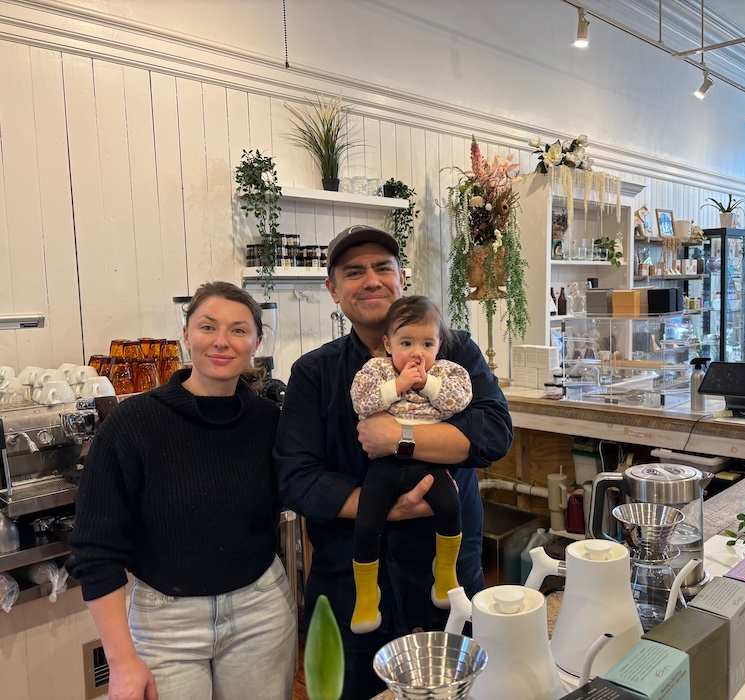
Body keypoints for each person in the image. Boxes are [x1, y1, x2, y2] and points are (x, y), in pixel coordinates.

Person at [275, 225, 512, 699]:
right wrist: (380, 507)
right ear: (333, 290)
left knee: (452, 690)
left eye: (382, 267)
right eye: (353, 271)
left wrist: (401, 437)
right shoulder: (314, 373)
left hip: (442, 576)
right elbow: (296, 479)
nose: (371, 280)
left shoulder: (454, 350)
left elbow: (492, 435)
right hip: (351, 582)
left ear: (401, 277)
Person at [68, 281, 296, 700]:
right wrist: (120, 662)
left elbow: (304, 487)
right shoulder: (132, 423)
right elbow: (94, 550)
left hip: (260, 610)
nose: (222, 342)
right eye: (208, 327)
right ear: (186, 335)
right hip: (164, 624)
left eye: (238, 330)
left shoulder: (269, 420)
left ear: (257, 341)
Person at [349, 295, 473, 634]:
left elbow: (456, 403)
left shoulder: (447, 372)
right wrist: (398, 386)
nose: (417, 353)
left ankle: (445, 571)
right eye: (406, 343)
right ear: (388, 344)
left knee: (450, 506)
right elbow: (362, 402)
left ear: (439, 345)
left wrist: (426, 382)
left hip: (430, 461)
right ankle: (366, 593)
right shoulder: (376, 371)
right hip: (385, 464)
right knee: (367, 521)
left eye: (427, 343)